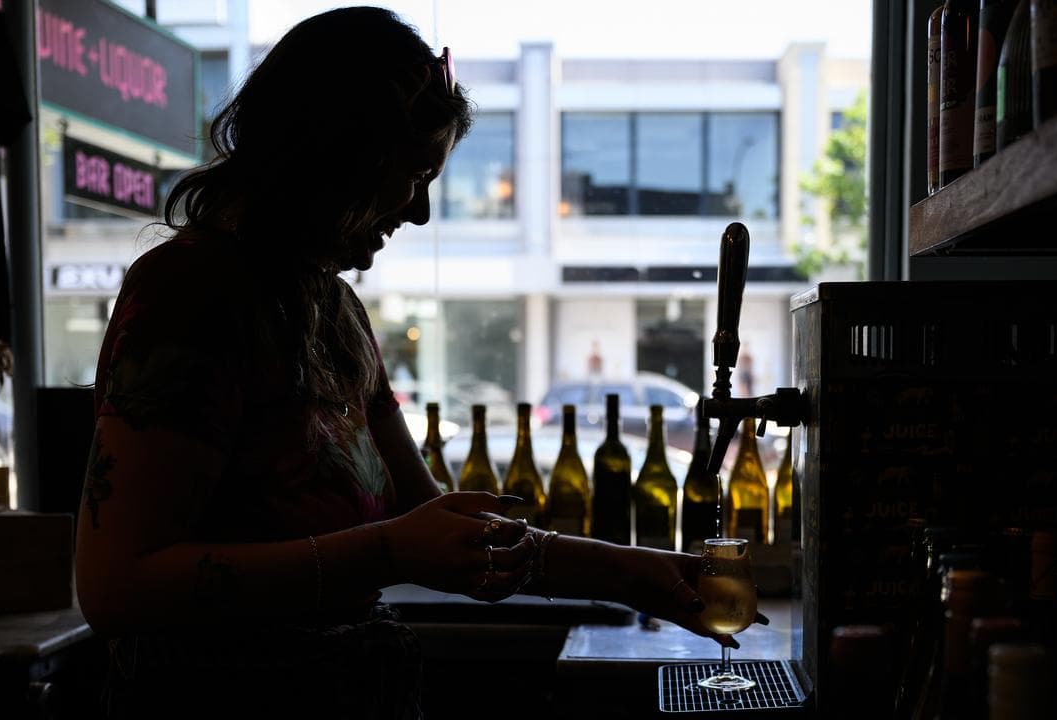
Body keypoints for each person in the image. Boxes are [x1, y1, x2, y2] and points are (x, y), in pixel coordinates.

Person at [74, 7, 762, 718]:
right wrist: (388, 554)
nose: (422, 212)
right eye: (415, 174)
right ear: (338, 157)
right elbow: (118, 588)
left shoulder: (337, 316)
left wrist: (637, 572)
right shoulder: (189, 295)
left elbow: (434, 525)